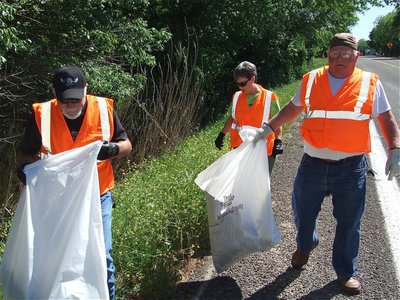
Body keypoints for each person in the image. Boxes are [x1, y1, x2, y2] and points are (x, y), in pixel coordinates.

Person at [255, 33, 400, 295]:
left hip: (350, 167)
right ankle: (304, 245)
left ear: (357, 56)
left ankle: (346, 272)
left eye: (346, 54)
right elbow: (293, 106)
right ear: (328, 55)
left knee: (349, 222)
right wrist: (269, 126)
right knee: (302, 213)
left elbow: (386, 117)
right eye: (335, 53)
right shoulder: (311, 79)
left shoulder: (369, 82)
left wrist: (395, 148)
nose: (340, 59)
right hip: (313, 164)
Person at [17, 65, 132, 300]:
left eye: (76, 100)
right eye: (65, 101)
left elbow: (127, 145)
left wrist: (112, 149)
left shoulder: (102, 109)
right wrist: (27, 172)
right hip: (57, 199)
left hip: (98, 196)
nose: (71, 107)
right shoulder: (42, 114)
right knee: (61, 257)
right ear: (55, 94)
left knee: (102, 255)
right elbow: (26, 154)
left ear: (85, 90)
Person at [214, 61, 283, 174]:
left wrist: (278, 141)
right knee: (239, 184)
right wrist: (222, 134)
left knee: (259, 186)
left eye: (243, 83)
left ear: (253, 78)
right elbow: (233, 118)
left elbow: (278, 121)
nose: (240, 87)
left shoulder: (270, 97)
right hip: (241, 148)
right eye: (238, 84)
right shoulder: (236, 97)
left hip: (263, 149)